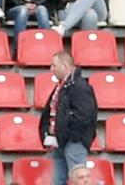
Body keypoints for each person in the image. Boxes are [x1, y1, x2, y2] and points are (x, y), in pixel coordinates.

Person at [41, 51, 96, 185]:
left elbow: (84, 115)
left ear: (64, 66)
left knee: (80, 179)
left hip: (73, 141)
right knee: (58, 180)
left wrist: (71, 134)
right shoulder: (65, 85)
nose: (51, 69)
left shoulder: (79, 86)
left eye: (54, 65)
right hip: (61, 140)